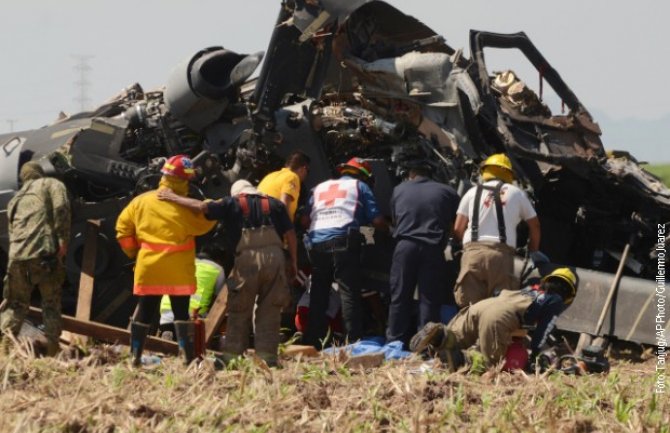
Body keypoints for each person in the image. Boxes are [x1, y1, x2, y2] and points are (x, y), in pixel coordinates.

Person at [158, 179, 297, 366]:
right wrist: (293, 263)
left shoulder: (232, 202)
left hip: (247, 259)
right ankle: (268, 359)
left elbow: (201, 207)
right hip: (275, 259)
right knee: (270, 310)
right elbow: (291, 235)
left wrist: (173, 197)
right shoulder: (276, 204)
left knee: (239, 309)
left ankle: (231, 359)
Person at [115, 155, 217, 366]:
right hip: (178, 270)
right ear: (184, 180)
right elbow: (209, 218)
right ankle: (187, 360)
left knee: (145, 311)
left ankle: (134, 358)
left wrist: (134, 254)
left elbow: (122, 231)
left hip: (149, 267)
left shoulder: (140, 201)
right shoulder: (186, 207)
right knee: (181, 313)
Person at [410, 267, 578, 371]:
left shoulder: (531, 290)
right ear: (568, 293)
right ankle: (459, 359)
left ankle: (440, 335)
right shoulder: (555, 300)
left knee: (458, 339)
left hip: (483, 305)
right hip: (500, 316)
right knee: (488, 362)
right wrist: (534, 354)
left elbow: (500, 295)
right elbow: (544, 330)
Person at [303, 157, 387, 348]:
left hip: (317, 245)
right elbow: (377, 221)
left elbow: (305, 221)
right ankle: (353, 341)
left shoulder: (319, 188)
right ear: (364, 176)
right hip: (344, 242)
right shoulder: (360, 187)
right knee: (349, 292)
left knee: (319, 293)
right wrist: (388, 230)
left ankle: (313, 341)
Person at [453, 153, 545, 307]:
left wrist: (463, 247)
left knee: (468, 307)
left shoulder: (471, 193)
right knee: (496, 308)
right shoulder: (516, 193)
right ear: (509, 174)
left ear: (486, 171)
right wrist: (533, 250)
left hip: (473, 254)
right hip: (501, 257)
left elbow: (458, 228)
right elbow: (535, 225)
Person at [386, 161, 460, 347]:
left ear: (411, 175)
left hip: (405, 247)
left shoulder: (398, 190)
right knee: (429, 299)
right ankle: (425, 346)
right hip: (432, 248)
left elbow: (395, 219)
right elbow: (455, 224)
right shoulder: (447, 191)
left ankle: (394, 342)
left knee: (400, 296)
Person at [0, 161, 70, 356]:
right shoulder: (52, 184)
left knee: (15, 304)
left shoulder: (15, 199)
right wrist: (63, 240)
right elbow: (61, 208)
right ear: (41, 173)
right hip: (44, 253)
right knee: (50, 302)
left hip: (16, 256)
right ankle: (52, 351)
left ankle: (4, 349)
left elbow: (12, 230)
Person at [159, 252, 226, 335]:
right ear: (219, 260)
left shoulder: (183, 262)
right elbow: (218, 299)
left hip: (166, 311)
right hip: (193, 317)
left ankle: (169, 332)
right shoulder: (218, 269)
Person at [257, 151, 311, 221]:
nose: (306, 176)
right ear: (303, 168)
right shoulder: (293, 176)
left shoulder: (270, 175)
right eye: (308, 171)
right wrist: (288, 229)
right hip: (271, 221)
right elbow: (284, 204)